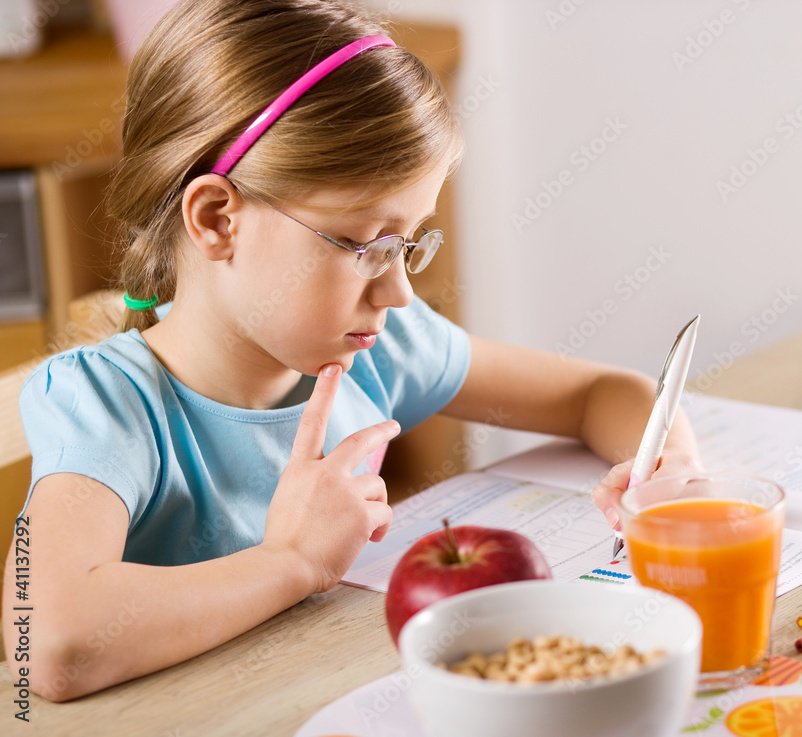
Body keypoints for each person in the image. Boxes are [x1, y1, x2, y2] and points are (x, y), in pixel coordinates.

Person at [1, 0, 701, 700]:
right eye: (365, 245)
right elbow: (52, 642)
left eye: (409, 243)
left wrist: (667, 470)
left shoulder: (382, 345)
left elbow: (599, 395)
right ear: (217, 220)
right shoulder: (108, 402)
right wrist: (293, 561)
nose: (397, 290)